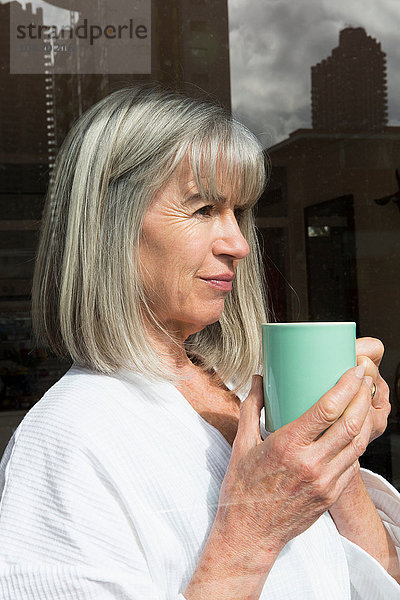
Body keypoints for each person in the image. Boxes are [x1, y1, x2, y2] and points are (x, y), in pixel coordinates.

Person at [0, 85, 399, 600]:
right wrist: (251, 532)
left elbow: (380, 585)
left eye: (239, 214)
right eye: (204, 209)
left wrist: (336, 455)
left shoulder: (239, 387)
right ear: (110, 225)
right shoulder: (67, 441)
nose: (238, 245)